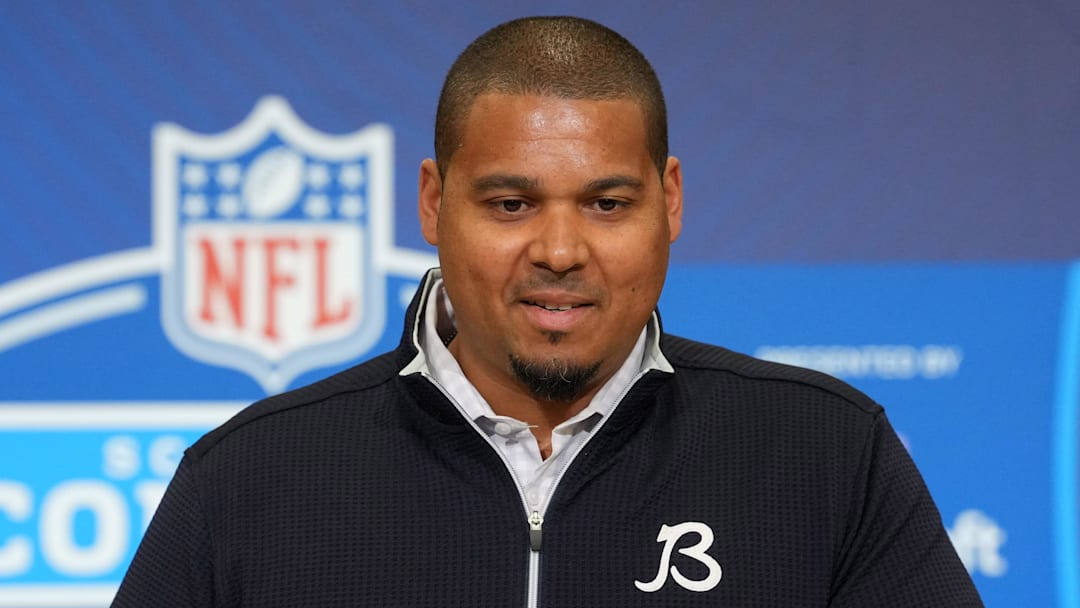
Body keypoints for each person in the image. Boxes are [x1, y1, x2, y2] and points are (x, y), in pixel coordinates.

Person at [112, 15, 983, 607]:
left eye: (607, 204)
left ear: (669, 202)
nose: (561, 251)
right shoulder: (250, 478)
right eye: (510, 204)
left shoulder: (825, 455)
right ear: (433, 201)